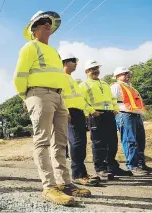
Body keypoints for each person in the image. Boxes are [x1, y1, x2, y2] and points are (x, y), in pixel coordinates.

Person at [14, 11, 90, 206]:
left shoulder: (55, 52)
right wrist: (27, 97)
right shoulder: (30, 47)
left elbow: (59, 77)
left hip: (58, 96)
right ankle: (49, 187)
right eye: (42, 22)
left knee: (61, 143)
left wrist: (62, 99)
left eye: (49, 22)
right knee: (43, 141)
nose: (47, 24)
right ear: (33, 29)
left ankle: (64, 183)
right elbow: (19, 76)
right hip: (38, 94)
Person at [79, 60, 132, 180]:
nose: (95, 71)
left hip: (109, 115)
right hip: (95, 115)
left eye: (96, 68)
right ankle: (101, 169)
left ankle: (112, 167)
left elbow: (112, 98)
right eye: (92, 69)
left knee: (112, 141)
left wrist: (115, 108)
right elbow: (82, 101)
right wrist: (92, 111)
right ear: (86, 71)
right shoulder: (83, 85)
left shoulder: (105, 84)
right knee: (99, 143)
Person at [61, 53, 100, 186]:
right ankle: (77, 175)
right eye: (73, 61)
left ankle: (82, 172)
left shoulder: (72, 79)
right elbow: (59, 97)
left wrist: (91, 111)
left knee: (81, 143)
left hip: (79, 113)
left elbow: (80, 99)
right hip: (70, 113)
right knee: (76, 143)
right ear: (65, 63)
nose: (75, 63)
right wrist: (65, 111)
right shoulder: (61, 78)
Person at [111, 67, 152, 175]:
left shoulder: (132, 88)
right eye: (123, 73)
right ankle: (133, 166)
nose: (127, 75)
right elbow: (112, 100)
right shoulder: (116, 86)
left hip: (136, 116)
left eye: (128, 73)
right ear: (117, 76)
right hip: (125, 115)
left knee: (140, 141)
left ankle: (140, 164)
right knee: (130, 141)